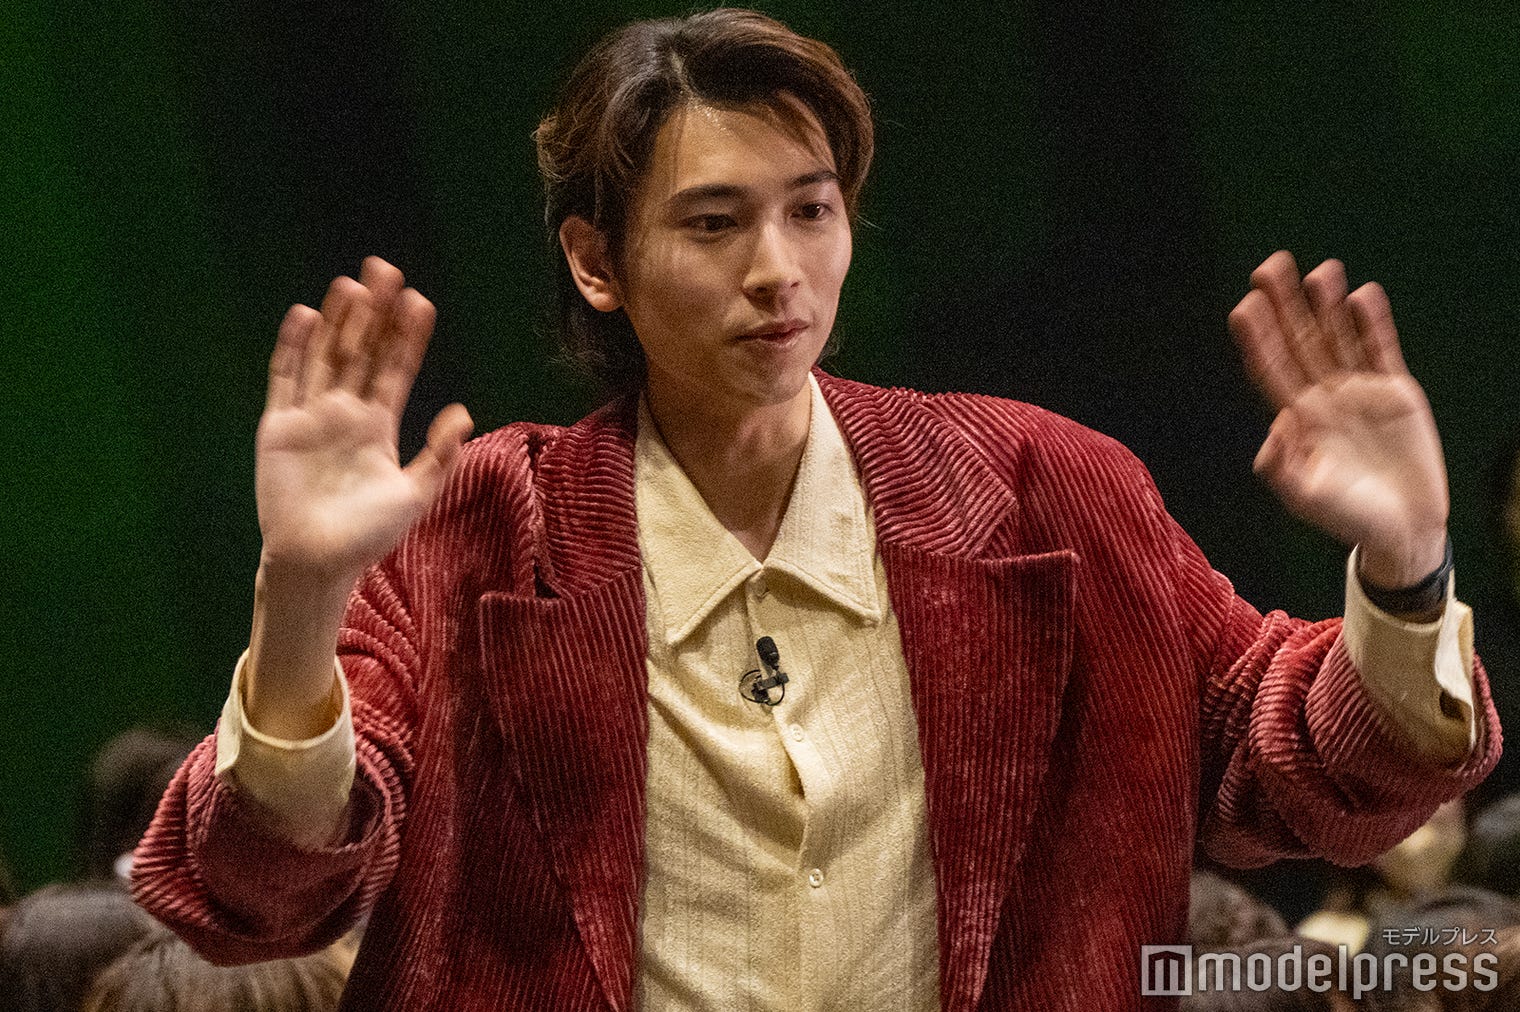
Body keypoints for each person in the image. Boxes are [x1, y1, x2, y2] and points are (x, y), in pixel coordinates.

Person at [131, 8, 1499, 1010]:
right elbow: (258, 898)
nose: (778, 270)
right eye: (713, 223)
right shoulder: (484, 530)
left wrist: (1404, 565)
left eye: (812, 209)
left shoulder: (1039, 491)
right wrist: (299, 599)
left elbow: (1301, 776)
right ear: (596, 260)